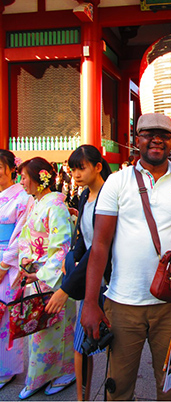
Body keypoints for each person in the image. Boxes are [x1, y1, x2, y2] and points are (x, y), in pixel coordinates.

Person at [81, 113, 171, 401]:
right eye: (148, 134)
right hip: (123, 303)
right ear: (136, 139)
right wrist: (90, 302)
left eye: (163, 135)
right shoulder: (117, 182)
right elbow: (100, 244)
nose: (156, 140)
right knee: (118, 386)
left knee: (169, 386)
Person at [46, 145, 112, 400]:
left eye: (80, 168)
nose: (75, 173)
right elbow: (83, 241)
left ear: (97, 167)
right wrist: (69, 260)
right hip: (89, 279)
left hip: (110, 280)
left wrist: (65, 289)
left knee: (111, 346)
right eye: (72, 168)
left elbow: (100, 247)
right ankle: (82, 398)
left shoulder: (110, 196)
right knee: (81, 345)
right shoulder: (85, 196)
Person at [17, 157, 76, 400]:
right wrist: (25, 259)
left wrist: (40, 273)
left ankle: (66, 373)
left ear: (38, 179)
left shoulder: (56, 206)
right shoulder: (37, 203)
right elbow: (24, 236)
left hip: (52, 279)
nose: (22, 182)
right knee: (40, 331)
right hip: (37, 275)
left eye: (24, 177)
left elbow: (61, 247)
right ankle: (39, 376)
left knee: (56, 329)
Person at [0, 150, 33, 390]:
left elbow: (21, 234)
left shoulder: (22, 197)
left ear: (11, 168)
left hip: (6, 262)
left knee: (5, 316)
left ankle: (6, 369)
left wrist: (4, 265)